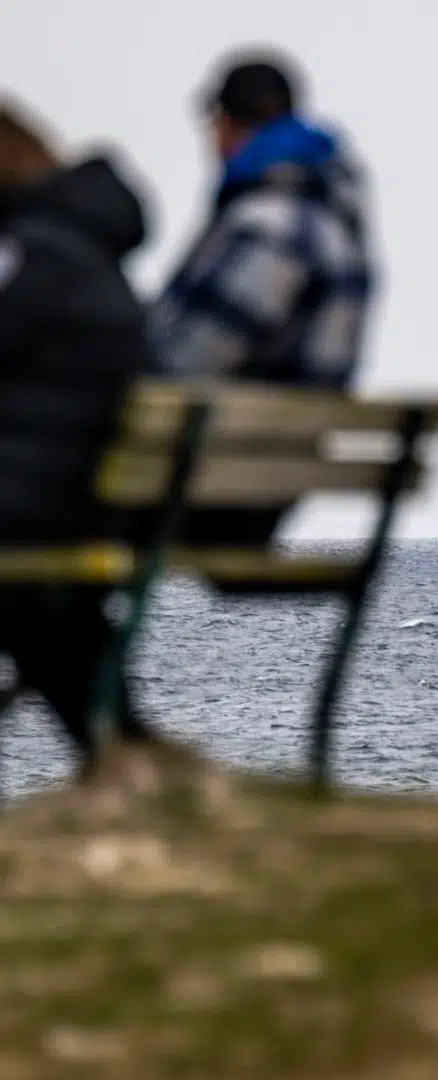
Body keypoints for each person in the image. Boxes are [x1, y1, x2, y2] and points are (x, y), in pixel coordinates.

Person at [149, 49, 376, 545]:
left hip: (208, 491)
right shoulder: (342, 228)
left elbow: (186, 361)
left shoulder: (271, 227)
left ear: (226, 123)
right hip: (269, 486)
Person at [0, 101, 162, 775]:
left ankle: (123, 756)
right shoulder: (83, 254)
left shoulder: (34, 257)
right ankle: (124, 756)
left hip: (37, 504)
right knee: (44, 612)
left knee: (37, 602)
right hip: (79, 497)